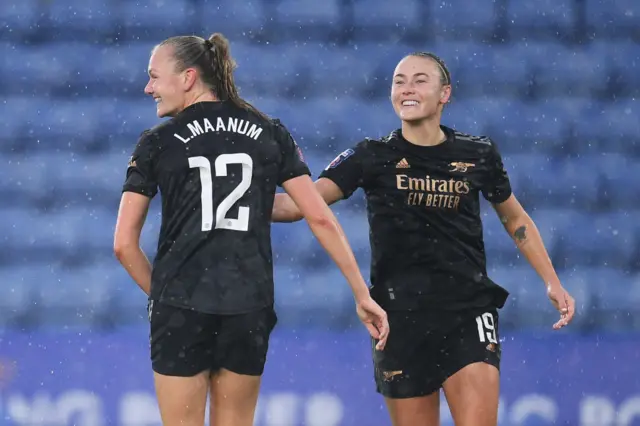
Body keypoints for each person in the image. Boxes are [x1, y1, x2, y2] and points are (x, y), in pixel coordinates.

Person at [271, 52, 576, 426]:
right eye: (399, 81)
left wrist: (551, 280)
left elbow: (514, 217)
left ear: (445, 93)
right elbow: (299, 206)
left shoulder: (478, 153)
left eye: (419, 80)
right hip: (398, 317)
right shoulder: (371, 155)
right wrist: (232, 198)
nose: (407, 89)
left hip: (467, 308)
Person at [113, 32, 389, 426]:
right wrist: (361, 293)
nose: (148, 87)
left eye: (155, 76)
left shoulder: (159, 142)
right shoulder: (268, 131)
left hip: (181, 309)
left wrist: (165, 295)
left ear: (188, 77)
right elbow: (317, 215)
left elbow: (124, 244)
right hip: (247, 307)